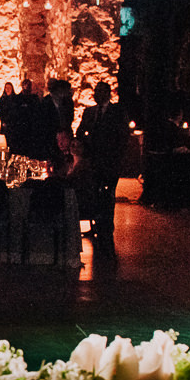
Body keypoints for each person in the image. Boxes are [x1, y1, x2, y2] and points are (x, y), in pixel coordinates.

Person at [75, 82, 127, 258]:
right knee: (94, 194)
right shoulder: (90, 112)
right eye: (96, 91)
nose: (97, 94)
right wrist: (86, 145)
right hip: (94, 161)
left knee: (108, 195)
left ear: (108, 93)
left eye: (100, 91)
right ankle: (96, 224)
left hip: (109, 162)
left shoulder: (117, 113)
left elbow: (122, 137)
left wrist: (117, 157)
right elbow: (81, 131)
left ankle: (106, 228)